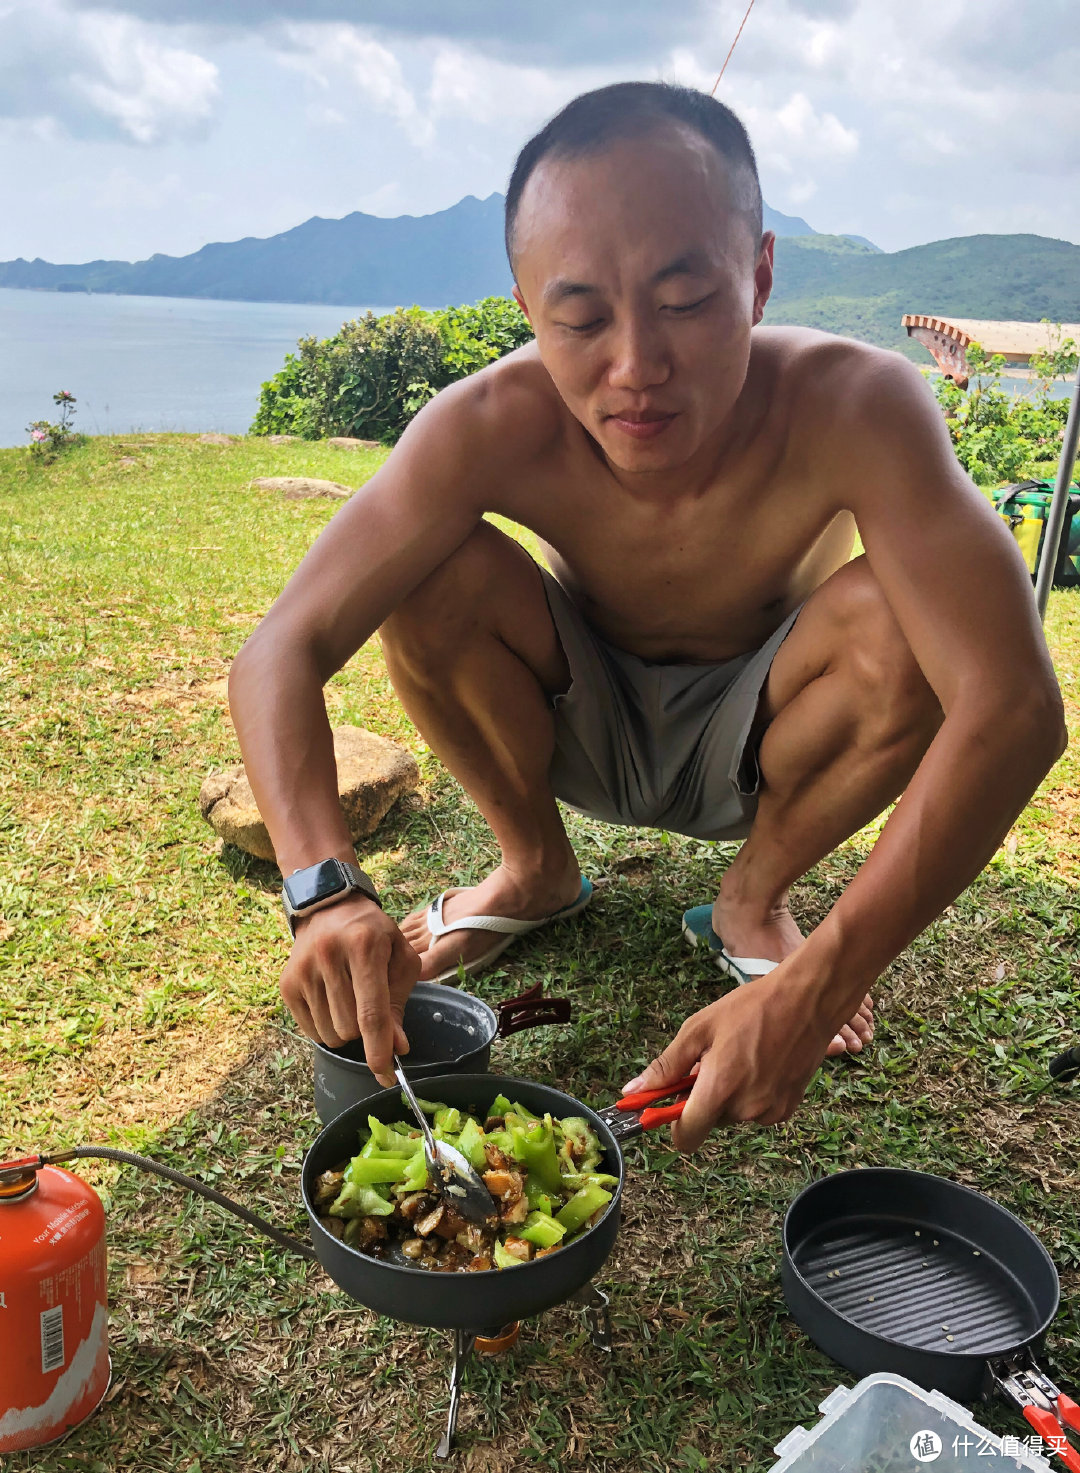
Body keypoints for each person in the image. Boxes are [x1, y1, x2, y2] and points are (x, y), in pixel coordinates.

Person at [228, 82, 1066, 1152]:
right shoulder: (484, 424)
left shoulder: (859, 404)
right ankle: (533, 867)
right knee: (427, 572)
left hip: (771, 735)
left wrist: (820, 984)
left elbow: (1015, 708)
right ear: (530, 308)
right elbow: (277, 652)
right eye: (580, 318)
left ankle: (753, 902)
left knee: (911, 628)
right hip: (577, 713)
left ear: (758, 277)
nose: (636, 368)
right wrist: (324, 892)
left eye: (684, 303)